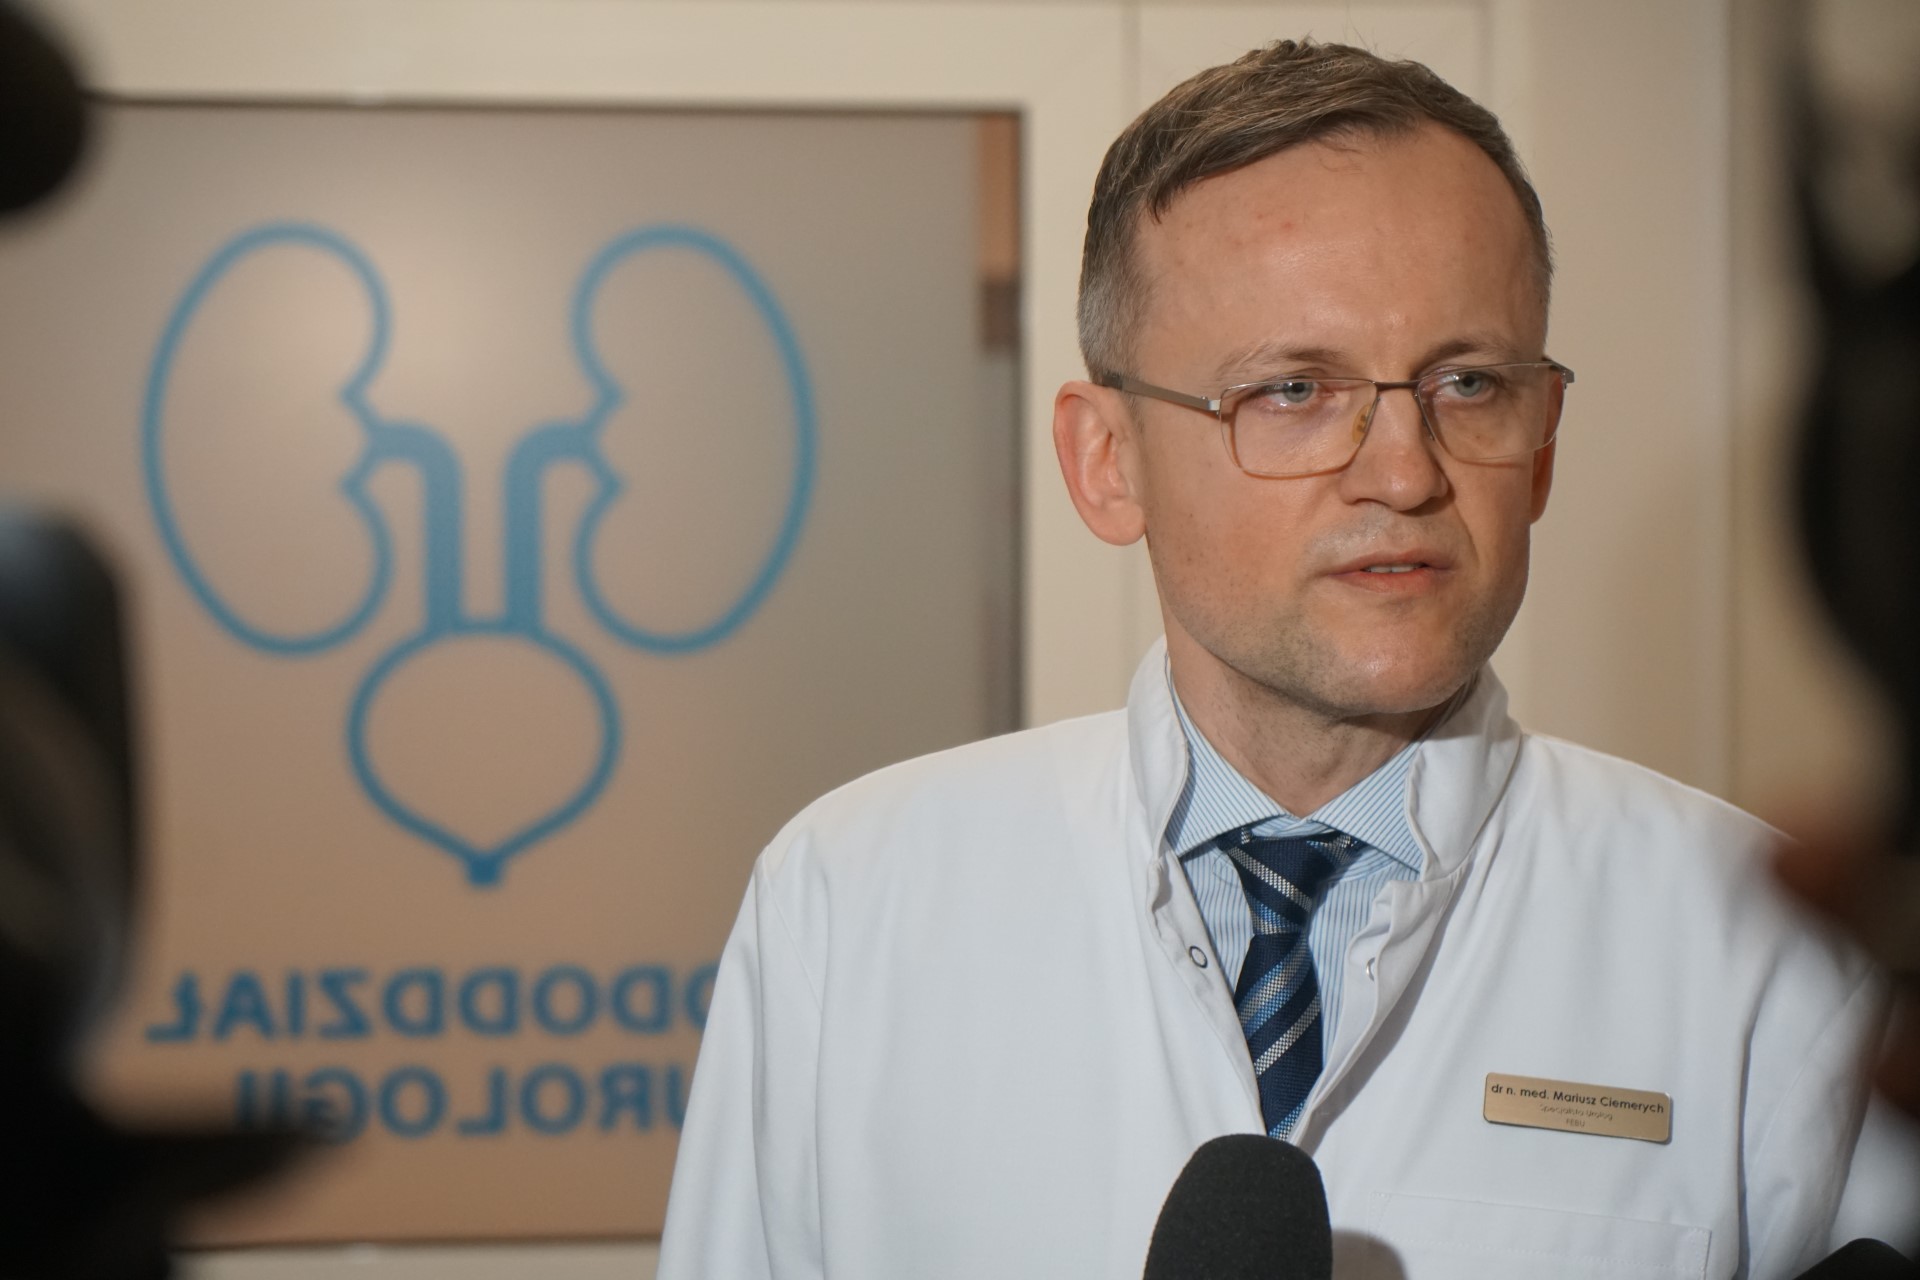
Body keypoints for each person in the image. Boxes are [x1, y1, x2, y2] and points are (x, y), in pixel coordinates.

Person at [657, 40, 1895, 1279]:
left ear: (1544, 444)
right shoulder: (849, 900)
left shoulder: (1775, 948)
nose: (1404, 472)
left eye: (1469, 382)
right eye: (1295, 389)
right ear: (1107, 462)